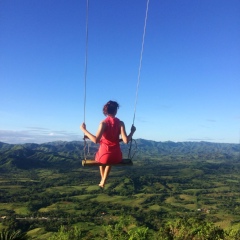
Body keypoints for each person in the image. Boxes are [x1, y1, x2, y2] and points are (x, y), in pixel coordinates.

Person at [80, 100, 136, 188]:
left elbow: (96, 140)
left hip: (104, 155)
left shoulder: (103, 123)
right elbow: (125, 141)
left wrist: (84, 130)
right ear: (116, 111)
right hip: (117, 156)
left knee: (101, 158)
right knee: (109, 159)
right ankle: (103, 180)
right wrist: (132, 132)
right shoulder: (120, 123)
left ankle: (103, 179)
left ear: (106, 111)